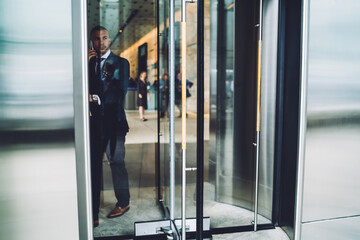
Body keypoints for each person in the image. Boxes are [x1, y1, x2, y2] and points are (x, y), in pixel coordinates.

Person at [88, 25, 130, 227]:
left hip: (114, 124)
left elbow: (116, 92)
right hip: (93, 125)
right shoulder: (88, 64)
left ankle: (124, 202)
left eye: (104, 38)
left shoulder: (120, 63)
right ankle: (92, 211)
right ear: (91, 41)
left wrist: (93, 97)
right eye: (96, 39)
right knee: (93, 167)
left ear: (109, 39)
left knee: (117, 163)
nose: (101, 42)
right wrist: (89, 66)